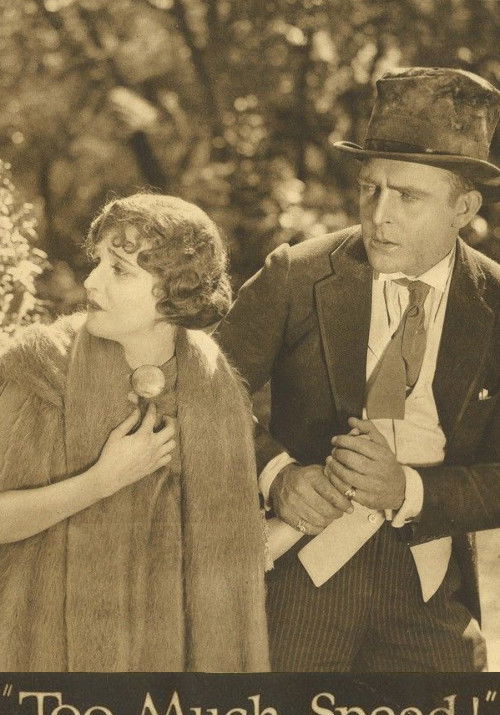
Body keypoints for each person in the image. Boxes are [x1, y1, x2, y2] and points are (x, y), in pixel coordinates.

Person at [217, 67, 500, 672]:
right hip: (301, 571)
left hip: (428, 585)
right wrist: (276, 475)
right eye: (371, 189)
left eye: (408, 196)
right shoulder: (297, 275)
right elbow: (201, 391)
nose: (379, 215)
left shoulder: (495, 306)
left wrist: (410, 490)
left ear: (464, 207)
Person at [0, 193, 269, 672]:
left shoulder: (213, 385)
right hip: (43, 661)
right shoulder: (41, 366)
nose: (91, 281)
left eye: (119, 270)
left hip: (167, 681)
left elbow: (232, 562)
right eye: (99, 261)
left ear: (174, 294)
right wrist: (99, 481)